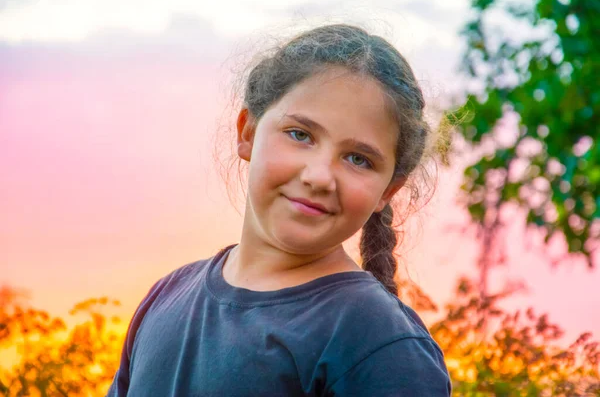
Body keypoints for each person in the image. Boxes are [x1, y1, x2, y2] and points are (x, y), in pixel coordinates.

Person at [107, 23, 452, 396]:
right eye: (300, 135)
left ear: (389, 189)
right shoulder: (165, 297)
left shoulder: (382, 347)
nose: (320, 177)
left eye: (358, 158)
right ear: (248, 134)